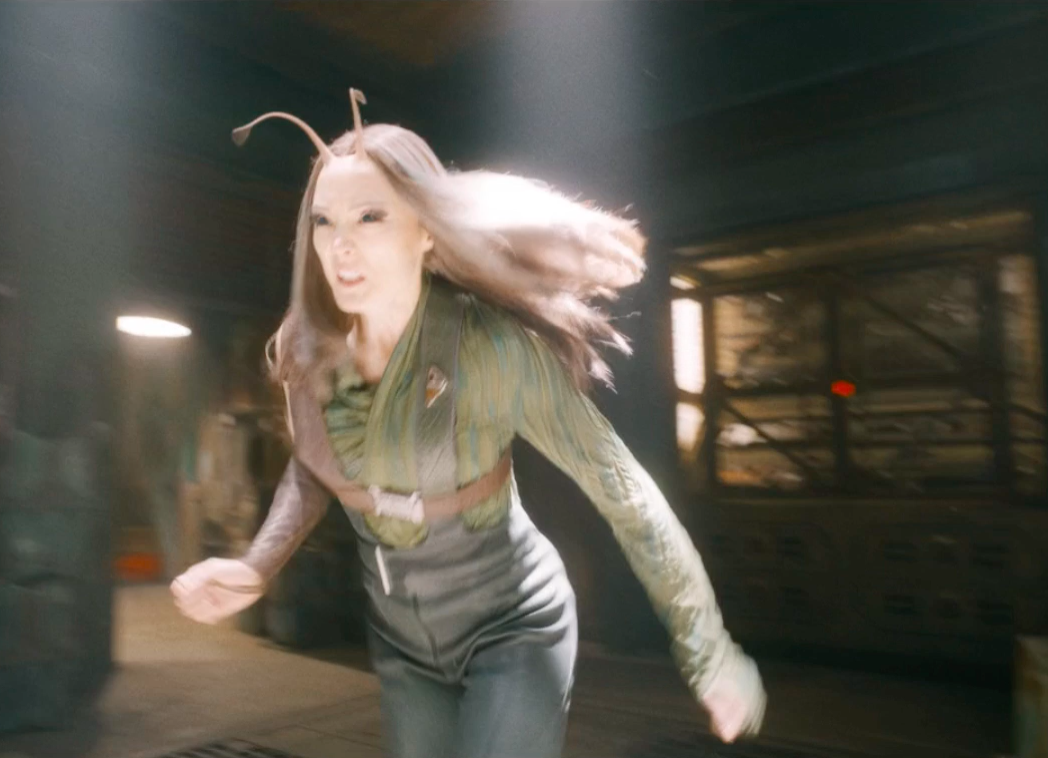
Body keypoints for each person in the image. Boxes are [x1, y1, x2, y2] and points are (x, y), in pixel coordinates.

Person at [171, 90, 766, 758]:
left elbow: (625, 493)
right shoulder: (306, 349)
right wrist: (257, 565)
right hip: (402, 646)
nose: (340, 246)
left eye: (369, 216)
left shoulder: (492, 350)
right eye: (324, 221)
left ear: (425, 230)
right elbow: (317, 468)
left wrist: (710, 653)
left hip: (514, 627)